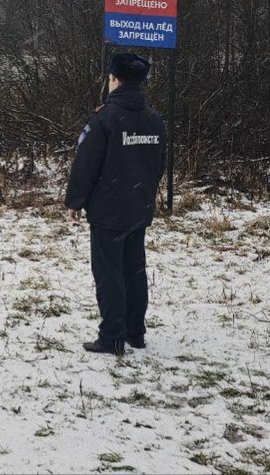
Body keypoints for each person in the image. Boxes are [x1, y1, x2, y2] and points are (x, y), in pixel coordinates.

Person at [65, 52, 167, 356]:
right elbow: (158, 164)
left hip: (109, 212)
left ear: (114, 80)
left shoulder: (104, 119)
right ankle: (135, 332)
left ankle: (111, 336)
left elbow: (86, 164)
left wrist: (75, 200)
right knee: (134, 270)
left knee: (109, 273)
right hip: (139, 208)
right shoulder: (154, 119)